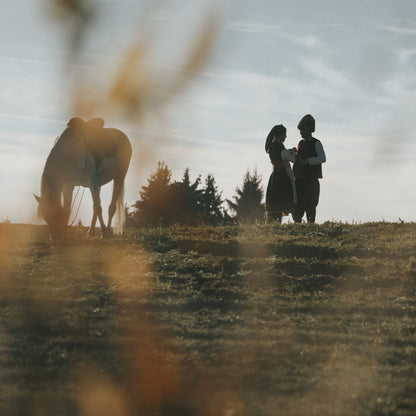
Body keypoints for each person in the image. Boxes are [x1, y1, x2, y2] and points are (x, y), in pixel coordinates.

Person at [292, 114, 326, 223]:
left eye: (302, 129)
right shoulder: (300, 144)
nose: (301, 132)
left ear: (308, 128)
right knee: (297, 211)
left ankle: (310, 232)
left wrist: (307, 161)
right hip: (299, 181)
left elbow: (322, 158)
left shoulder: (317, 143)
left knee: (310, 209)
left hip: (311, 182)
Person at [265, 124, 296, 223]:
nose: (285, 137)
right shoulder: (278, 144)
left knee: (274, 201)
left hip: (275, 174)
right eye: (284, 134)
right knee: (281, 200)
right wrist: (293, 153)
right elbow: (285, 155)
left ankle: (273, 222)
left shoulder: (272, 145)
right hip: (282, 175)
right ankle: (277, 221)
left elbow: (283, 153)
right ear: (280, 135)